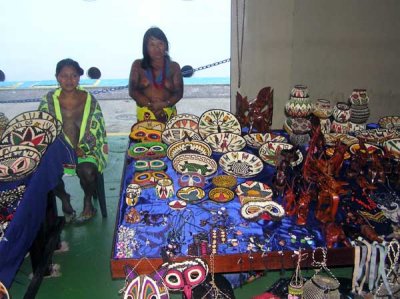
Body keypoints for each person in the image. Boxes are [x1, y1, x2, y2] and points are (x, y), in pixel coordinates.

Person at [38, 58, 108, 223]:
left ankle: (88, 200)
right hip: (58, 150)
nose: (69, 80)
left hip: (85, 149)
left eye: (74, 76)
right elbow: (43, 129)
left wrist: (83, 146)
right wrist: (63, 149)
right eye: (64, 76)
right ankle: (64, 199)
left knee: (88, 171)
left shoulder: (88, 99)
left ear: (79, 77)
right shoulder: (48, 101)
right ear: (57, 77)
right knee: (45, 171)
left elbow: (97, 128)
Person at [129, 27, 184, 122]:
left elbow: (179, 93)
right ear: (145, 48)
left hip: (168, 117)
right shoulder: (137, 65)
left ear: (166, 46)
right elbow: (133, 91)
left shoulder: (174, 67)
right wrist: (151, 106)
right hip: (144, 118)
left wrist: (164, 104)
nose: (157, 49)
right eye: (152, 45)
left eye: (160, 44)